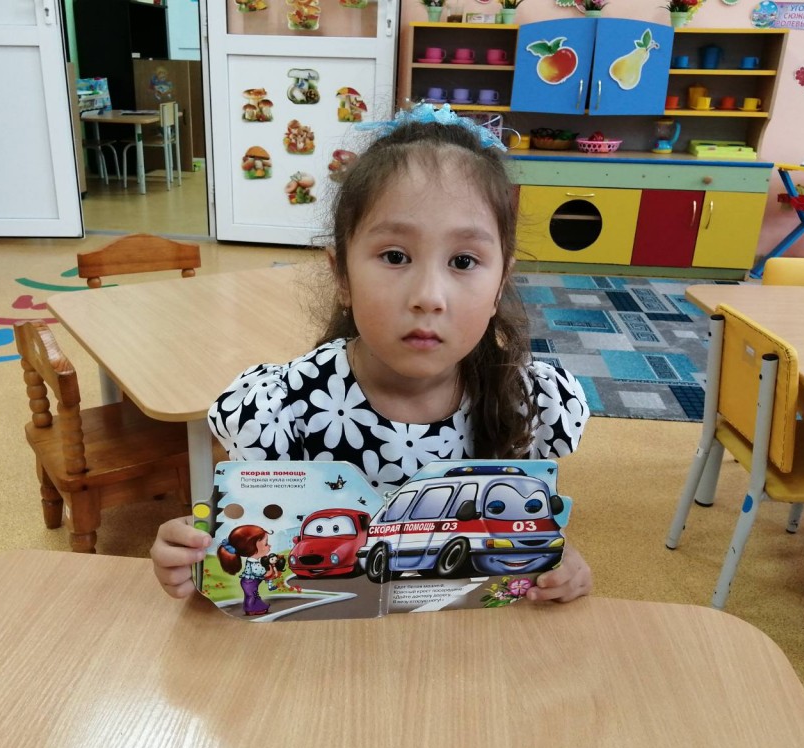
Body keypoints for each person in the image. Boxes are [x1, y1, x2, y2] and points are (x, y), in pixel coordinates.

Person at [151, 104, 592, 603]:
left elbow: (529, 535)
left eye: (464, 261)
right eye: (395, 256)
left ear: (500, 283)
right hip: (326, 644)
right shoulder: (285, 409)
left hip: (466, 644)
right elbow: (250, 546)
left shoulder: (526, 402)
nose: (429, 296)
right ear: (342, 275)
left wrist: (560, 565)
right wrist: (197, 558)